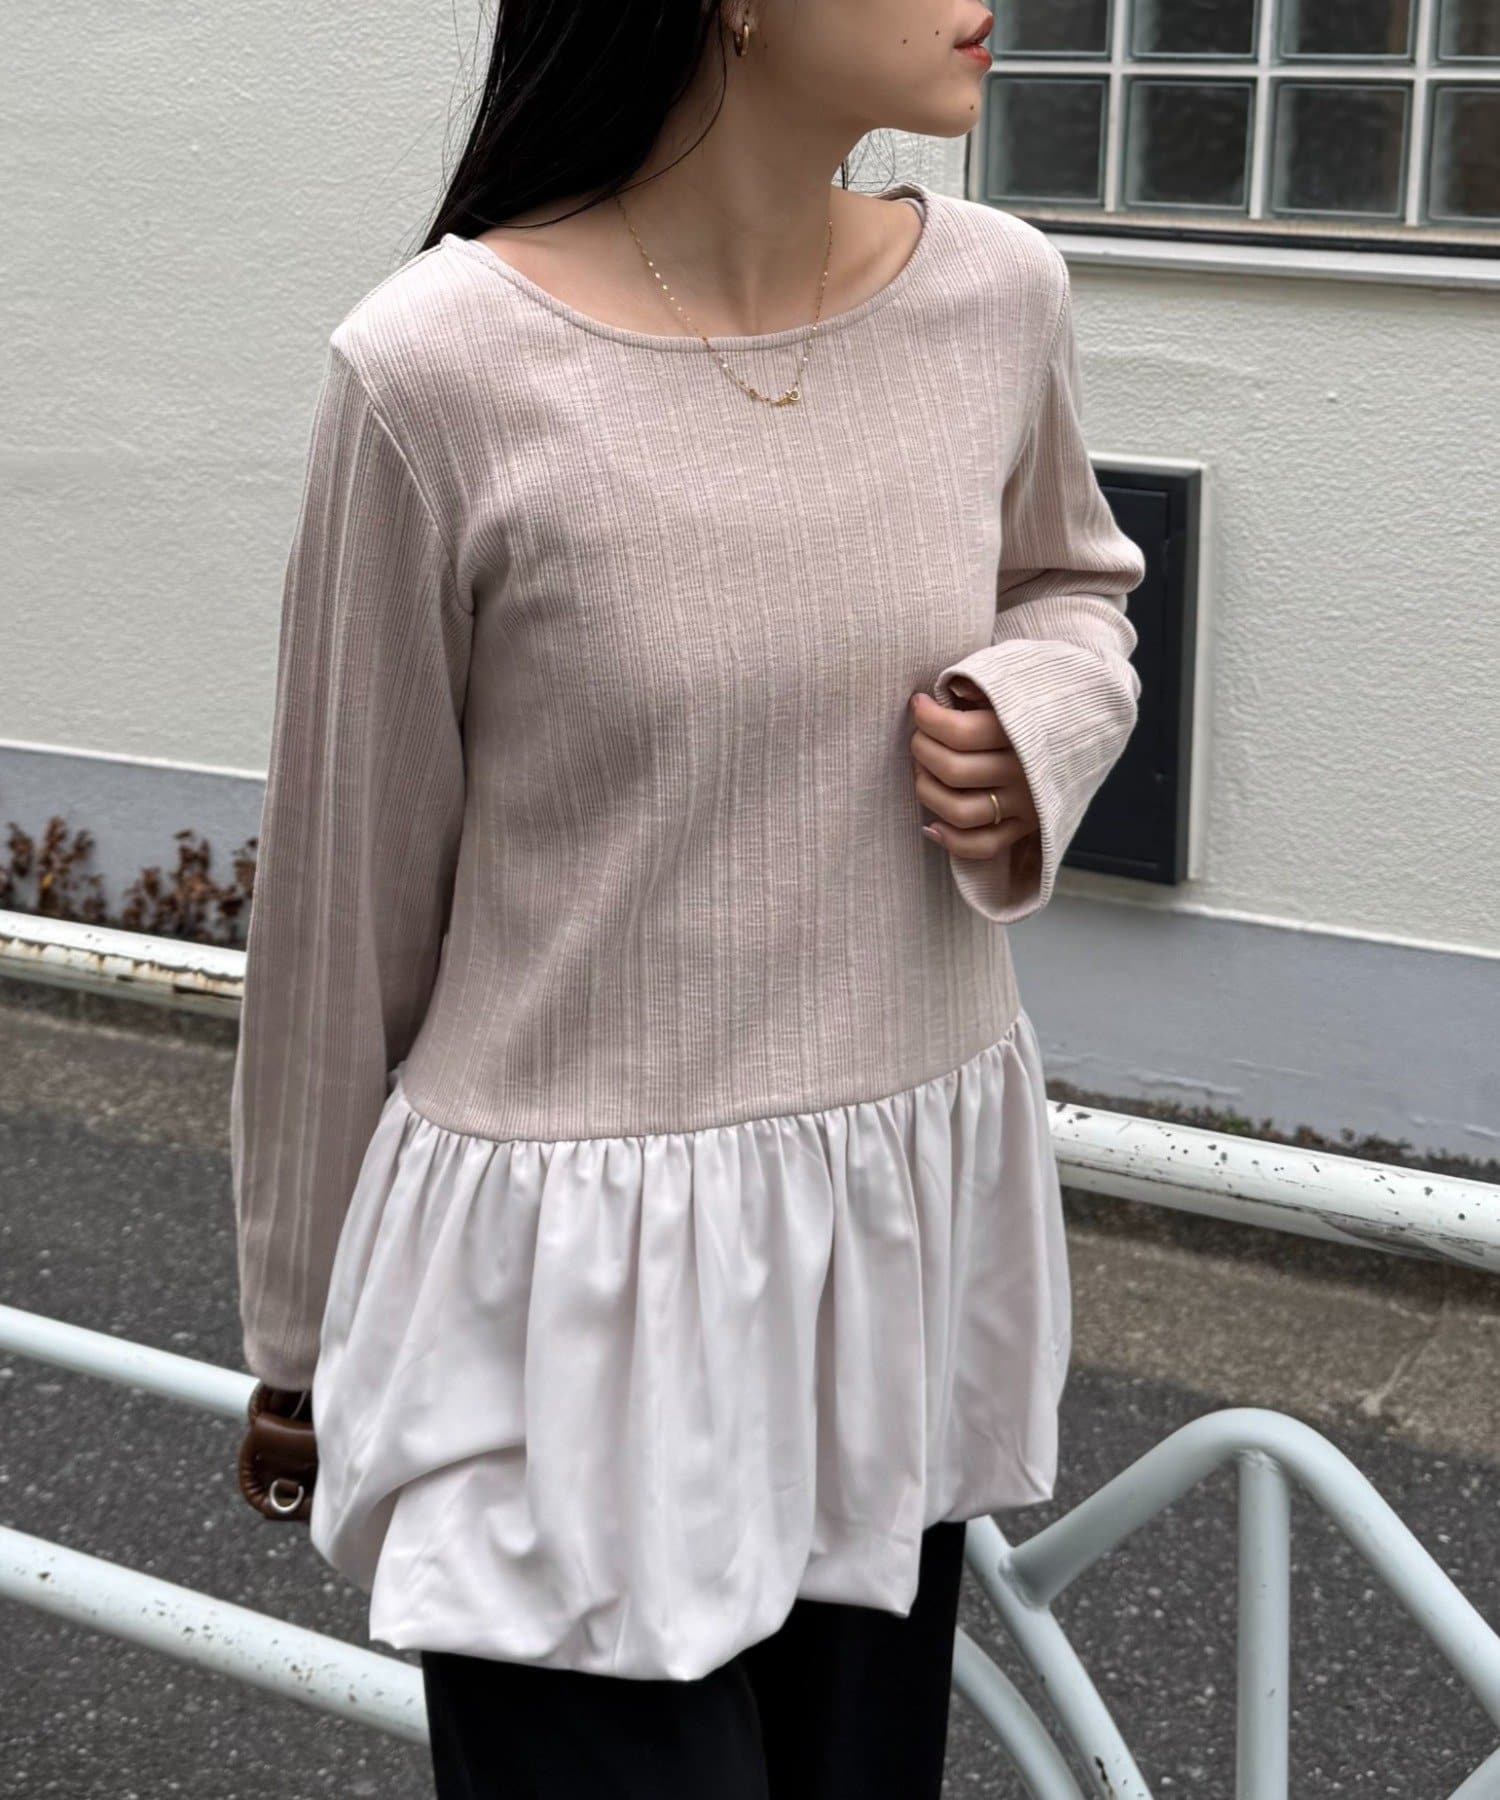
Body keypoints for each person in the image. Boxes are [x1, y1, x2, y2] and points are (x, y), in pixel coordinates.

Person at [230, 0, 1148, 1792]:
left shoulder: (1000, 295)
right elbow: (344, 899)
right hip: (562, 1311)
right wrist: (297, 1338)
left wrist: (1038, 717)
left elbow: (1073, 584)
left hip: (884, 1264)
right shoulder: (436, 368)